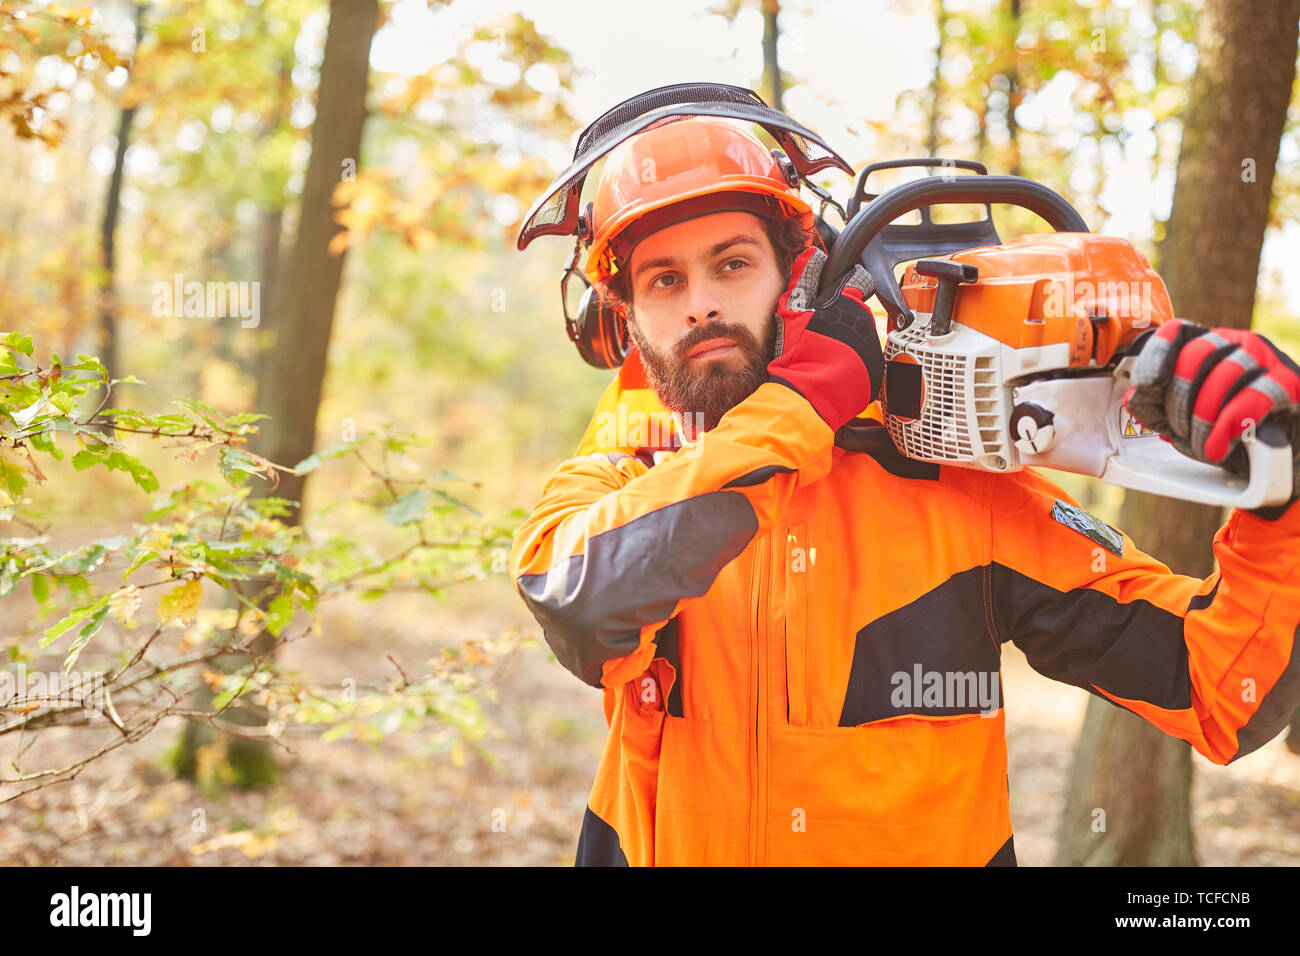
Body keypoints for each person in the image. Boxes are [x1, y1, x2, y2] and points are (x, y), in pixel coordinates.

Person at [509, 113, 1300, 866]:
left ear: (800, 277)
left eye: (732, 263)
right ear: (627, 322)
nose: (703, 302)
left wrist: (1282, 500)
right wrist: (803, 406)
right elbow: (580, 600)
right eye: (663, 280)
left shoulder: (956, 493)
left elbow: (1224, 690)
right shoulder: (619, 478)